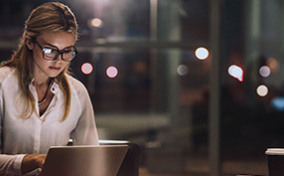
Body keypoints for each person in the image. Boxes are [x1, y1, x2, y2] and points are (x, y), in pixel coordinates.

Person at [0, 2, 99, 176]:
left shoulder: (77, 92)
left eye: (67, 51)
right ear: (29, 42)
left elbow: (91, 158)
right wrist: (30, 161)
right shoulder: (2, 84)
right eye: (49, 50)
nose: (59, 60)